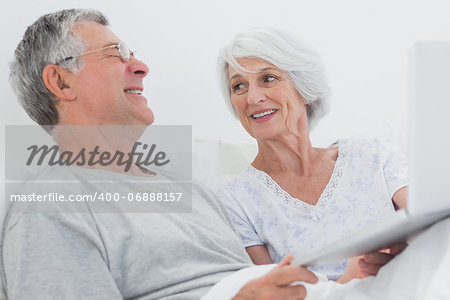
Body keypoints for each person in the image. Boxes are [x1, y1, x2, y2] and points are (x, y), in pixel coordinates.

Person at [1, 9, 318, 300]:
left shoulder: (193, 192)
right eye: (116, 55)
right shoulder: (50, 208)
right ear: (61, 81)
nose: (141, 67)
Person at [216, 27, 408, 282]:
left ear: (303, 87)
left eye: (269, 79)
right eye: (239, 86)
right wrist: (347, 280)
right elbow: (270, 294)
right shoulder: (234, 201)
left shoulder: (374, 157)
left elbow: (436, 227)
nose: (253, 97)